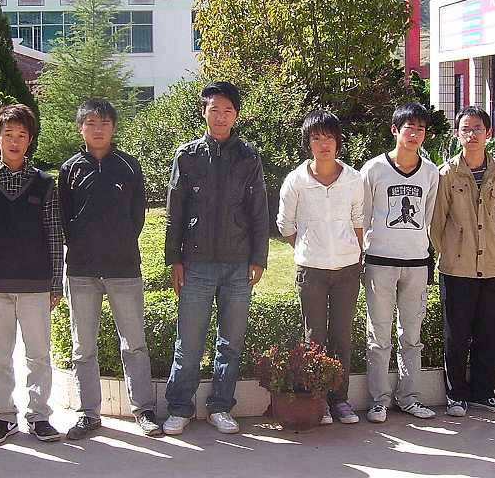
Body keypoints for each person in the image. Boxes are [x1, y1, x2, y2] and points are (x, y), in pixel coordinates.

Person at [162, 81, 269, 435]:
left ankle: (221, 406)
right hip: (196, 264)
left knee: (230, 343)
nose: (221, 116)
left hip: (238, 264)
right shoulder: (187, 156)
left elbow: (259, 211)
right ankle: (179, 407)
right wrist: (174, 259)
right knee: (189, 342)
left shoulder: (248, 157)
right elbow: (175, 211)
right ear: (203, 112)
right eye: (214, 109)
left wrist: (259, 258)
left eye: (227, 110)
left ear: (236, 115)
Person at [58, 99, 161, 438]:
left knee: (134, 344)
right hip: (81, 271)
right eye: (90, 123)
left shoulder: (129, 166)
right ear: (81, 128)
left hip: (124, 268)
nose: (98, 129)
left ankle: (143, 410)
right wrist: (83, 245)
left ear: (114, 127)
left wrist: (118, 242)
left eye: (104, 123)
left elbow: (137, 216)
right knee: (83, 347)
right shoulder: (70, 169)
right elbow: (64, 218)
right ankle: (89, 414)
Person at [0, 104, 64, 446]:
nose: (14, 141)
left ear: (30, 140)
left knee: (38, 355)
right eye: (8, 134)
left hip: (36, 284)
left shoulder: (44, 182)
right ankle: (3, 416)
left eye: (21, 135)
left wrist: (56, 282)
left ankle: (39, 415)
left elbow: (54, 233)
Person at [276, 109, 364, 425]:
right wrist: (308, 247)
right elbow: (285, 225)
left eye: (329, 138)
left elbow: (358, 221)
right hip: (311, 270)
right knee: (314, 338)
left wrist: (354, 253)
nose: (324, 144)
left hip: (347, 270)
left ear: (338, 141)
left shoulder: (353, 179)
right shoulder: (295, 181)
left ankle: (340, 400)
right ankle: (317, 401)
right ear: (308, 143)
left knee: (341, 336)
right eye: (316, 138)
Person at [359, 102, 440, 423]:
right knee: (379, 334)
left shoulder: (430, 172)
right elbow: (363, 216)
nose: (415, 134)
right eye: (409, 128)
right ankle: (378, 401)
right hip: (379, 261)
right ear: (395, 130)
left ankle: (410, 397)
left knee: (412, 335)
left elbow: (427, 216)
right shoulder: (374, 169)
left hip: (417, 263)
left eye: (421, 129)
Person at [430, 106, 495, 417]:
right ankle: (456, 394)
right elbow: (437, 224)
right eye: (465, 128)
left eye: (478, 128)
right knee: (457, 334)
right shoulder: (446, 174)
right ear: (457, 134)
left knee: (490, 333)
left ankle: (484, 391)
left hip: (491, 266)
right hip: (457, 267)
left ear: (488, 133)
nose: (472, 134)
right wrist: (452, 251)